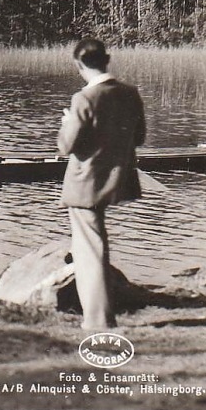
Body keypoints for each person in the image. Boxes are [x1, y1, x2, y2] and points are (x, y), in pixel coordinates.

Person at [58, 38, 146, 330]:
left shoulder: (83, 99)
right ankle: (101, 315)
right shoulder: (130, 94)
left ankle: (97, 321)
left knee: (89, 249)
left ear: (79, 65)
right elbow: (139, 138)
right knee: (97, 243)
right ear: (106, 60)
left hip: (85, 184)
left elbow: (65, 146)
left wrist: (67, 121)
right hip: (116, 181)